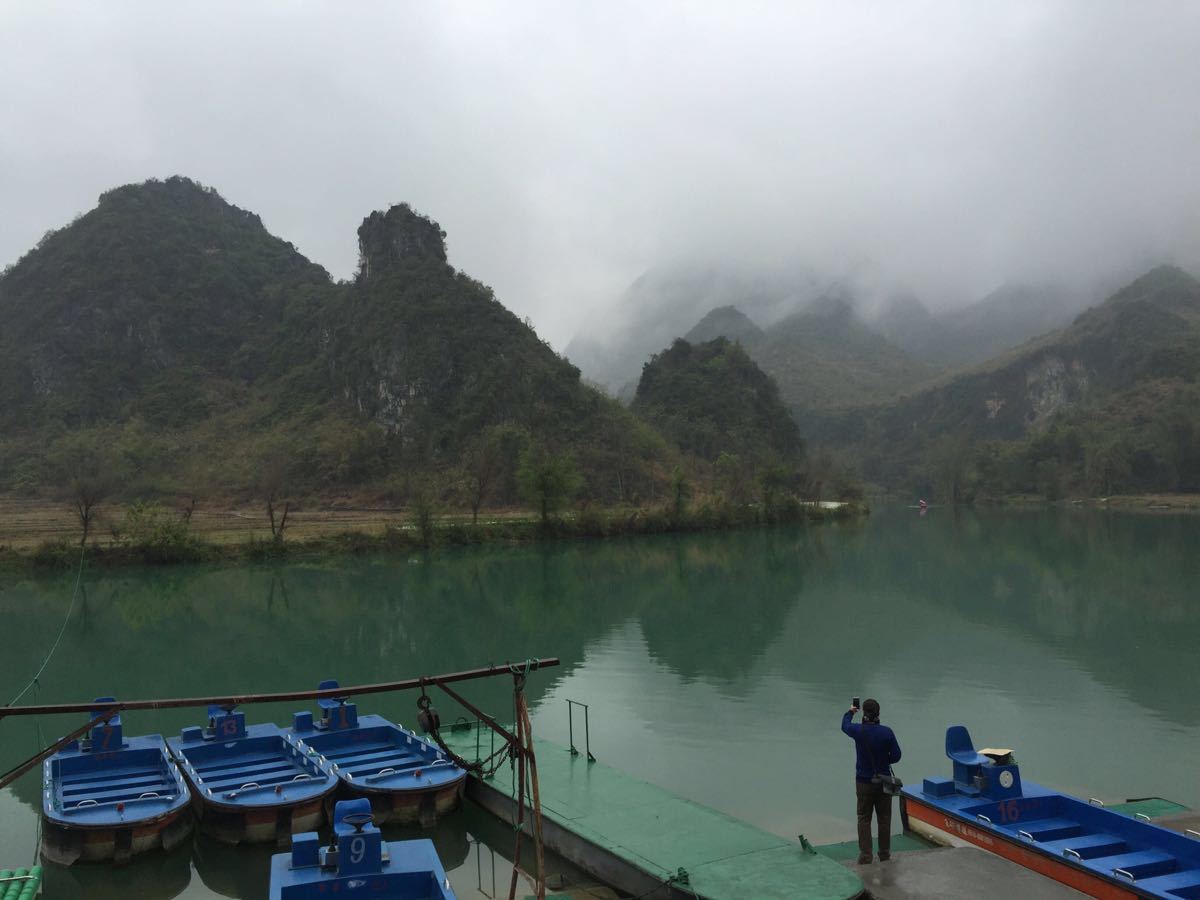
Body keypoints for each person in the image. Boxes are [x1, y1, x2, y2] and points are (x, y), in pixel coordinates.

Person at [841, 698, 902, 864]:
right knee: (884, 818)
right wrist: (884, 760)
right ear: (878, 713)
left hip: (863, 782)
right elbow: (896, 756)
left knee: (863, 818)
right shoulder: (887, 732)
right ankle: (884, 854)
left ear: (863, 713)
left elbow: (844, 725)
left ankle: (866, 856)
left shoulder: (857, 731)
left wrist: (850, 712)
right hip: (883, 781)